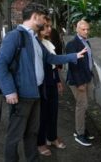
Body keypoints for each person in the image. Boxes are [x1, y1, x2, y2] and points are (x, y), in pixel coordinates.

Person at [0, 2, 87, 162]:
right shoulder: (15, 36)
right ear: (35, 17)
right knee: (14, 136)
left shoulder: (34, 38)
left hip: (36, 93)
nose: (45, 22)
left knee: (32, 133)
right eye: (43, 18)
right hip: (21, 96)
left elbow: (50, 58)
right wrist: (9, 90)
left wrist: (74, 56)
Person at [37, 16, 66, 156]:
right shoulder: (34, 43)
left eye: (49, 26)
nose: (50, 29)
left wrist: (58, 82)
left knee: (53, 112)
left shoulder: (48, 43)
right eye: (46, 26)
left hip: (52, 83)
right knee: (41, 115)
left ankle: (52, 137)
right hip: (40, 85)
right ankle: (40, 142)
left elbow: (53, 66)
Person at [65, 20, 95, 147]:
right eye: (83, 29)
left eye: (87, 29)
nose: (86, 31)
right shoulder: (72, 44)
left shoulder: (86, 42)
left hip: (87, 78)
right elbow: (73, 66)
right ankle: (79, 134)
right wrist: (80, 83)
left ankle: (82, 128)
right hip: (79, 81)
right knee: (81, 106)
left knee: (84, 106)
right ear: (77, 29)